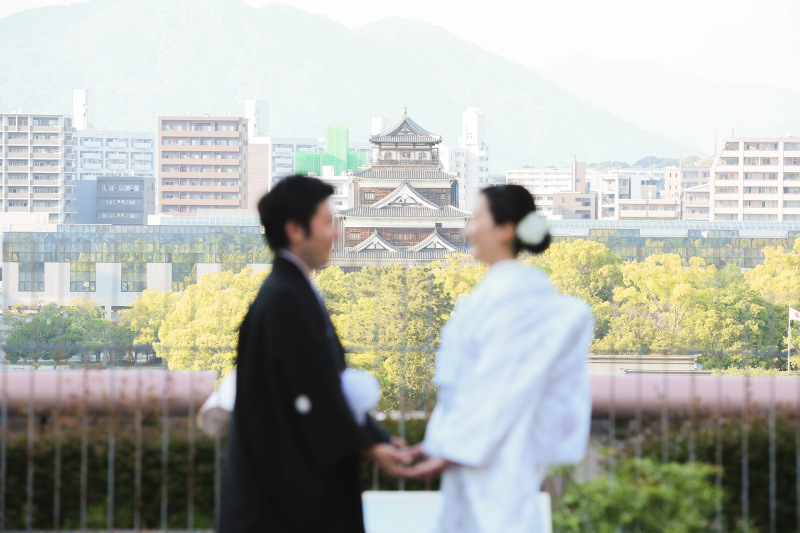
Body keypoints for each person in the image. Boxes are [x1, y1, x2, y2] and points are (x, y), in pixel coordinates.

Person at [219, 176, 410, 533]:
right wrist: (369, 445)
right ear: (295, 230)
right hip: (285, 501)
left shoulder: (290, 291)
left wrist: (375, 438)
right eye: (326, 223)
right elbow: (314, 390)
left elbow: (321, 386)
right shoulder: (285, 299)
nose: (335, 233)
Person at [407, 185, 594, 533]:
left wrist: (450, 445)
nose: (468, 230)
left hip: (498, 451)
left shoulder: (514, 299)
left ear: (505, 230)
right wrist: (443, 442)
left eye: (476, 219)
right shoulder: (500, 293)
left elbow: (500, 385)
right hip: (481, 448)